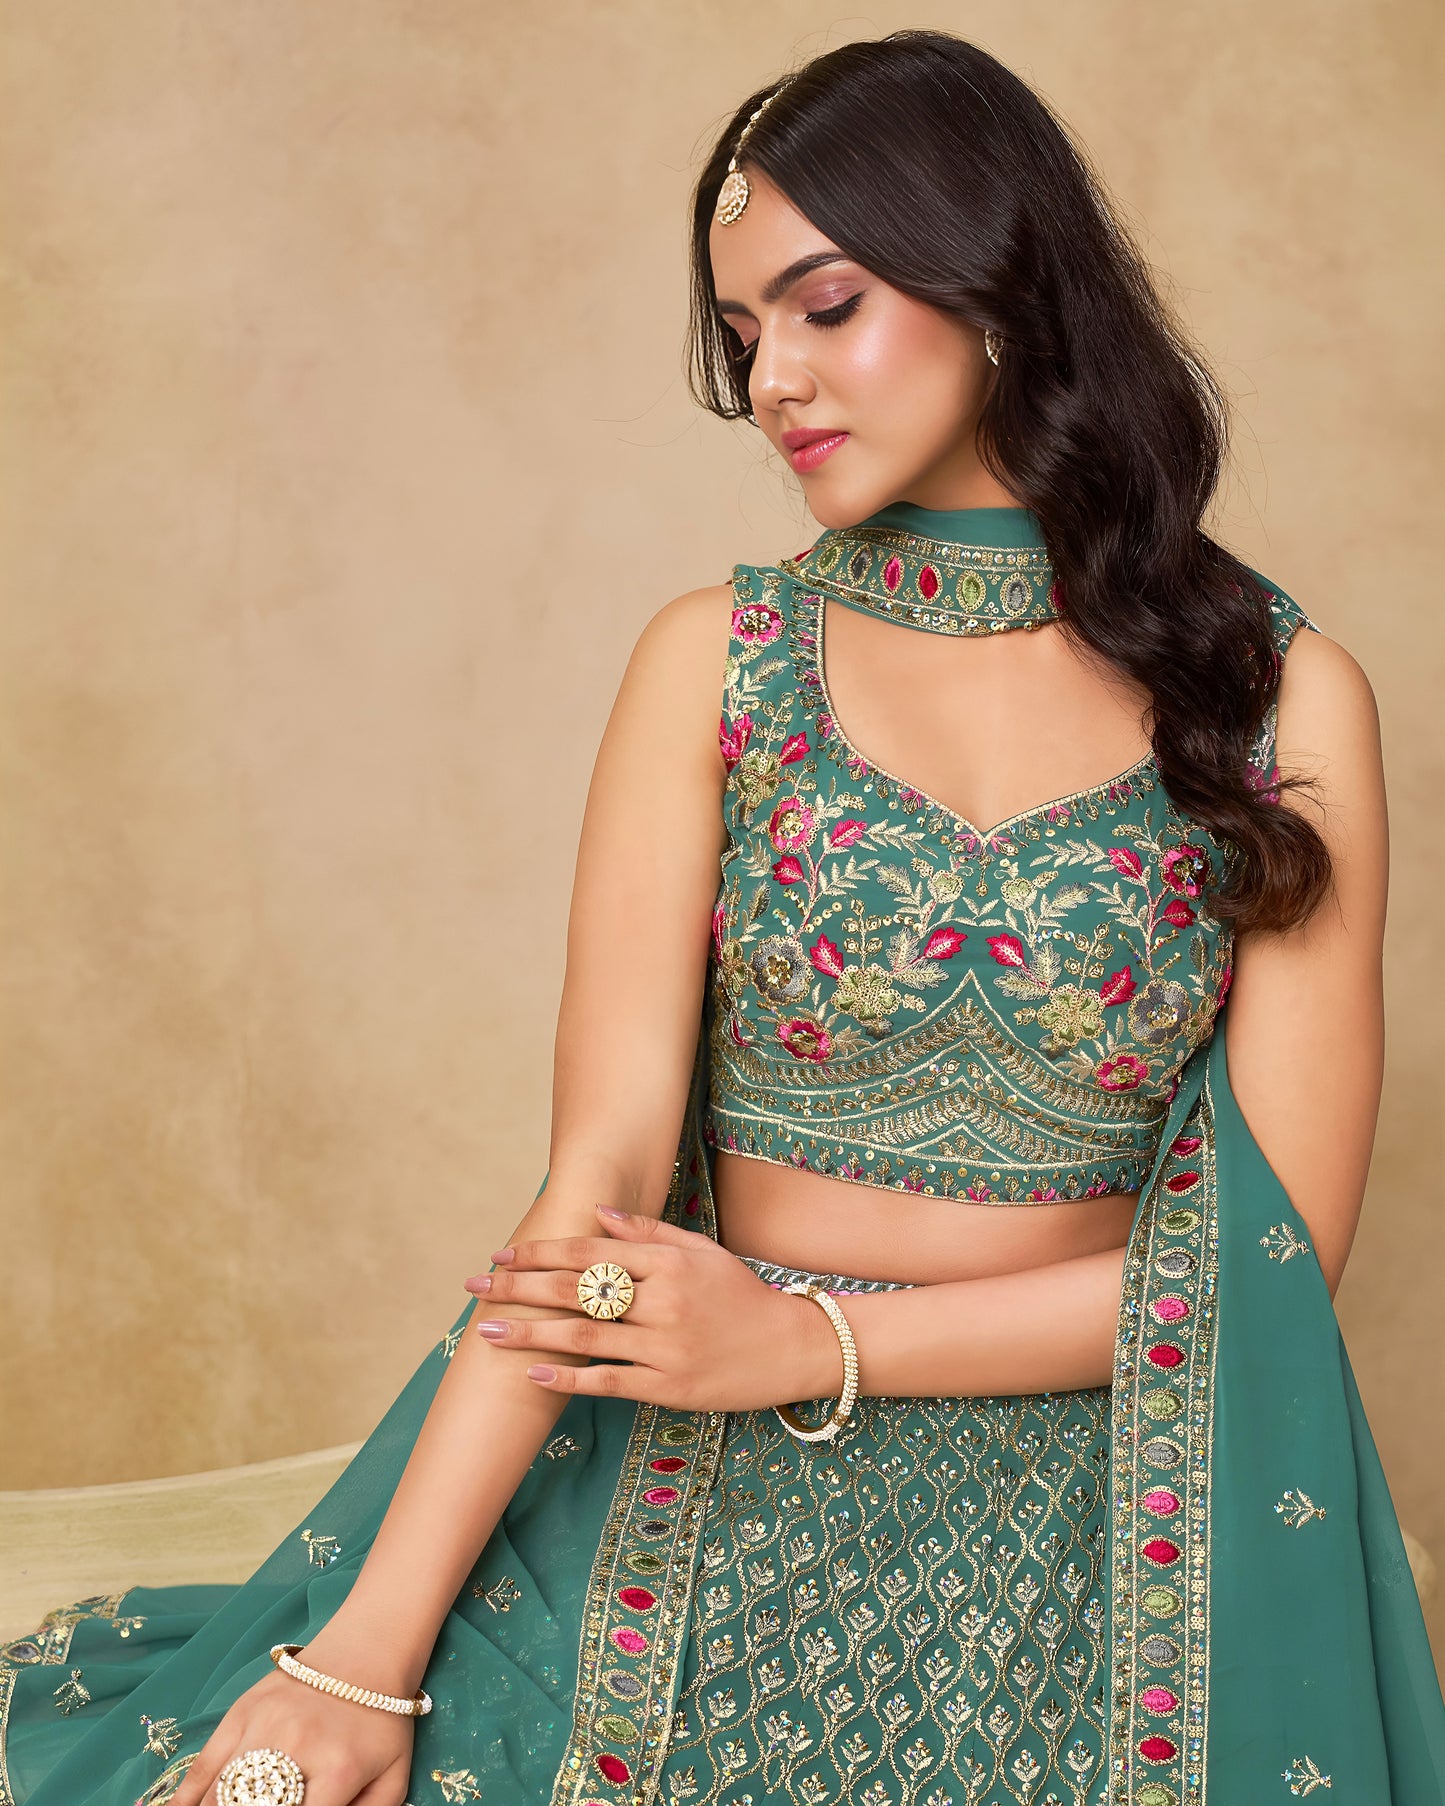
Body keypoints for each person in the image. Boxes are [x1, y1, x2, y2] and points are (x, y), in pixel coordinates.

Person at [4, 27, 1443, 1806]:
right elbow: (591, 1187)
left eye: (822, 306)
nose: (771, 379)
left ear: (994, 284)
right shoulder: (718, 662)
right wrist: (359, 1654)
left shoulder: (1278, 702)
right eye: (743, 333)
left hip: (1106, 1500)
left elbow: (1275, 1259)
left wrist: (809, 1340)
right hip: (687, 1433)